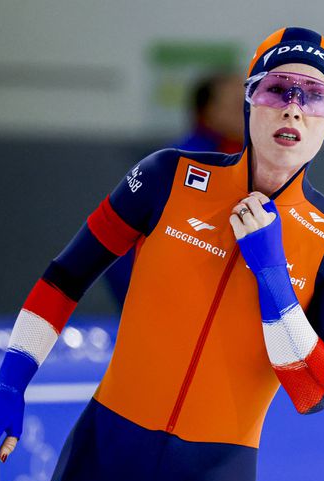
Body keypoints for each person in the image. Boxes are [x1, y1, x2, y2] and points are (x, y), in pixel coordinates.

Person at [0, 27, 324, 481]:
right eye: (278, 88)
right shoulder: (168, 176)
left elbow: (314, 392)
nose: (294, 107)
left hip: (213, 478)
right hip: (105, 455)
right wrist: (8, 386)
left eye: (315, 97)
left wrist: (271, 274)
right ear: (249, 100)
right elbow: (64, 279)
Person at [104, 72, 245, 307]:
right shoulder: (172, 165)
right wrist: (144, 305)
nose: (249, 113)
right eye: (238, 105)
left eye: (251, 104)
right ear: (208, 111)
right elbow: (114, 244)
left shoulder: (254, 168)